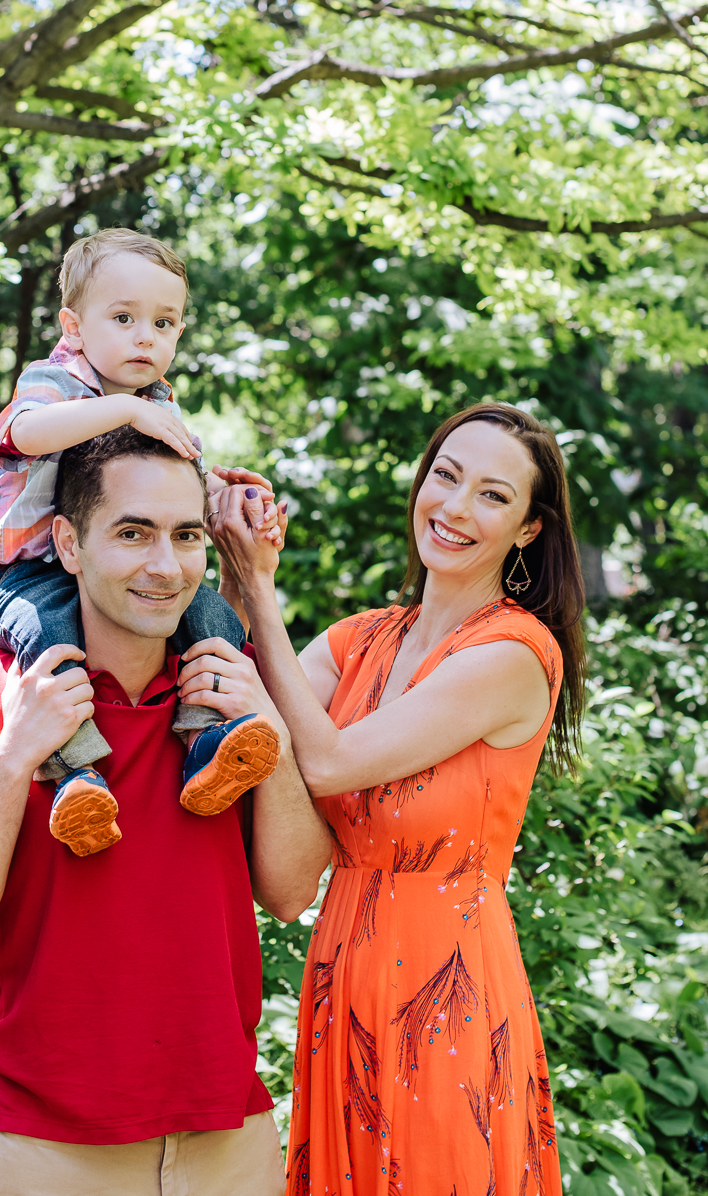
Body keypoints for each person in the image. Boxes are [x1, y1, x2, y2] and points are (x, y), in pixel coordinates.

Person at [0, 425, 332, 1196]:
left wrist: (273, 736)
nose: (165, 567)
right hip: (46, 1146)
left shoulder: (232, 691)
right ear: (67, 542)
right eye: (133, 534)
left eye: (186, 535)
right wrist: (12, 759)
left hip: (226, 1137)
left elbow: (292, 894)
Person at [199, 402, 586, 1196]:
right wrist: (232, 564)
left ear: (526, 530)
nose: (452, 507)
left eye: (491, 495)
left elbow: (332, 760)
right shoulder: (359, 639)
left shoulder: (513, 653)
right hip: (345, 961)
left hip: (448, 984)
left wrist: (264, 592)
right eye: (445, 476)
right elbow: (247, 720)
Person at [0, 227, 282, 855]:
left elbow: (169, 483)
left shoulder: (156, 400)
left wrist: (227, 489)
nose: (147, 336)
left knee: (213, 615)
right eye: (124, 318)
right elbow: (24, 434)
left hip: (114, 565)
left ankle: (205, 740)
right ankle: (74, 777)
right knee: (53, 644)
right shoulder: (53, 382)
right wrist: (127, 413)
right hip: (29, 571)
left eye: (166, 323)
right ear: (74, 325)